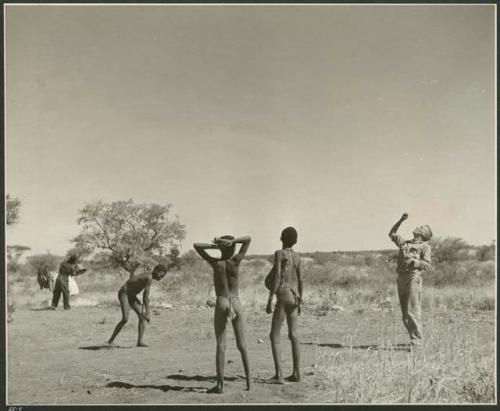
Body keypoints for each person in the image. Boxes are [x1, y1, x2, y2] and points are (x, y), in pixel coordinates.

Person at [193, 235, 252, 394]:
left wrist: (216, 246)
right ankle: (249, 382)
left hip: (222, 301)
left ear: (222, 248)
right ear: (232, 248)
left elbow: (196, 245)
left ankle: (220, 386)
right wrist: (232, 242)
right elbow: (248, 239)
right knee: (243, 344)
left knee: (221, 345)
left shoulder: (216, 263)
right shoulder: (235, 262)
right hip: (236, 301)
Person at [388, 213, 432, 347]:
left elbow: (427, 264)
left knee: (413, 310)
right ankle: (414, 340)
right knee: (405, 312)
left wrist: (415, 261)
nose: (418, 227)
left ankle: (417, 343)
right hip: (401, 278)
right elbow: (392, 233)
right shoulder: (405, 243)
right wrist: (400, 220)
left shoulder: (425, 247)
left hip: (413, 278)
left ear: (424, 234)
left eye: (421, 227)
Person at [266, 227, 303, 384]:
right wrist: (300, 299)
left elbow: (276, 277)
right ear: (295, 240)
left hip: (282, 293)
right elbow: (301, 280)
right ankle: (297, 373)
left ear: (282, 238)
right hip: (294, 295)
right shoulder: (297, 257)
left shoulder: (279, 254)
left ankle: (279, 375)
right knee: (293, 335)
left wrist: (270, 298)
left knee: (274, 335)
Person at [108, 264, 168, 347]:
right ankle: (111, 341)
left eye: (163, 276)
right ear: (156, 271)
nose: (161, 278)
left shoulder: (150, 277)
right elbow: (145, 297)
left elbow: (145, 298)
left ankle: (139, 342)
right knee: (125, 319)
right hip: (124, 293)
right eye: (161, 275)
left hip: (132, 296)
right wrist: (148, 313)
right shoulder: (148, 278)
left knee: (141, 317)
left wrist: (145, 313)